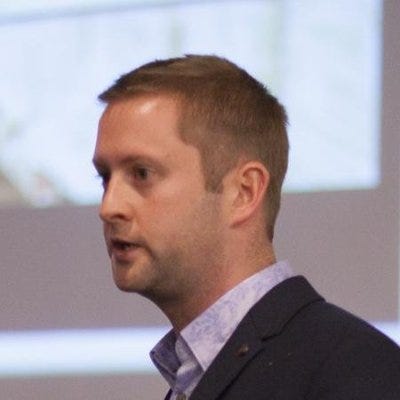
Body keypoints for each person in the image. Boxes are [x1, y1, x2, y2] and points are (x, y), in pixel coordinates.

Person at [93, 55, 400, 400]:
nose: (109, 207)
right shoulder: (194, 375)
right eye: (104, 177)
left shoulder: (359, 373)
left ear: (244, 192)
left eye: (142, 173)